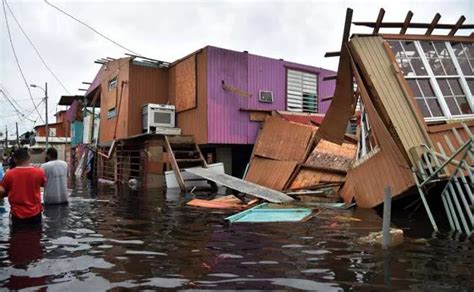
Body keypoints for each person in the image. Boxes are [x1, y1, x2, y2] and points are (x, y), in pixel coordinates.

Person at [0, 148, 46, 225]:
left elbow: (1, 191)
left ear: (15, 159)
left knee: (16, 236)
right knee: (36, 236)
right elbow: (43, 184)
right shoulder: (38, 172)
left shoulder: (9, 174)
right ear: (29, 157)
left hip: (17, 215)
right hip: (35, 214)